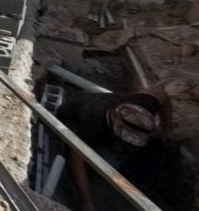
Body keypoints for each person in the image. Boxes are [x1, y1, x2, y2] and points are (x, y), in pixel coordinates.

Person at [57, 88, 192, 211]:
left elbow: (163, 95)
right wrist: (87, 202)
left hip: (108, 120)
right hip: (70, 122)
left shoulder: (144, 106)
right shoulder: (92, 121)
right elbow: (77, 157)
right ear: (115, 121)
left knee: (155, 144)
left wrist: (169, 130)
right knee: (99, 166)